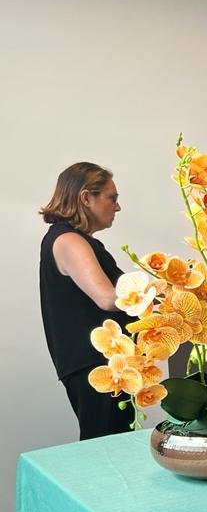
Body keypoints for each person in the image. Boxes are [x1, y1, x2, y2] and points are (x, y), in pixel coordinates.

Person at [39, 162, 133, 440]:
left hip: (101, 363)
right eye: (112, 198)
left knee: (110, 444)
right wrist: (155, 288)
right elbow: (107, 298)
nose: (117, 207)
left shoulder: (73, 239)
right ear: (85, 198)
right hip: (94, 364)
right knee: (106, 447)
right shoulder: (69, 240)